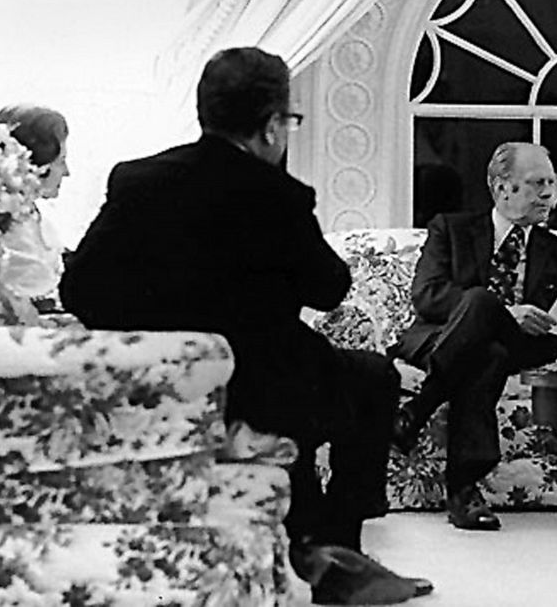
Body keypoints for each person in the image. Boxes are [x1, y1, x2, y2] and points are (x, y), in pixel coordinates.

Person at [59, 47, 431, 605]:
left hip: (162, 386)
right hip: (261, 386)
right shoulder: (278, 196)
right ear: (271, 125)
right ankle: (338, 550)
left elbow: (79, 290)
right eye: (287, 120)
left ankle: (308, 542)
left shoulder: (136, 180)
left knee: (324, 376)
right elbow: (329, 288)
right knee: (374, 379)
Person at [390, 142, 557, 531]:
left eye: (552, 183)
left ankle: (415, 412)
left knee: (494, 345)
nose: (548, 194)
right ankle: (463, 490)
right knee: (485, 331)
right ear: (502, 188)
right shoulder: (451, 229)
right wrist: (504, 314)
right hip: (442, 338)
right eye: (537, 183)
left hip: (517, 349)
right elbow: (428, 296)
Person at [0, 104, 70, 301]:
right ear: (39, 168)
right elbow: (36, 286)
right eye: (61, 161)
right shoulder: (14, 233)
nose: (67, 172)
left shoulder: (30, 216)